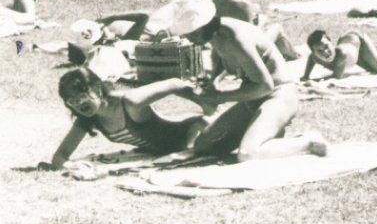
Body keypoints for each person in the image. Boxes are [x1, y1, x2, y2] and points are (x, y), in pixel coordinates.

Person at [165, 0, 327, 161]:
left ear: (205, 23)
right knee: (204, 146)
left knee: (248, 154)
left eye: (191, 32)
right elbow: (224, 58)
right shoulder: (216, 33)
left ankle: (308, 142)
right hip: (254, 99)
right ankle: (270, 134)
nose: (188, 38)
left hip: (279, 95)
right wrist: (213, 80)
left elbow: (265, 86)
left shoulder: (236, 38)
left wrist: (220, 97)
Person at [42, 68, 247, 170]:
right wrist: (69, 165)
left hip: (195, 132)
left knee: (197, 158)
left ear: (96, 88)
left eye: (81, 96)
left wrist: (208, 107)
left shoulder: (130, 101)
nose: (78, 104)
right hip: (170, 150)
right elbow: (60, 155)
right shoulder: (89, 118)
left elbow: (175, 83)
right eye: (71, 101)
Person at [212, 0, 298, 62]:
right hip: (243, 55)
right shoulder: (243, 4)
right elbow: (253, 38)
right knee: (277, 28)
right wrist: (263, 22)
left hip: (222, 52)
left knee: (272, 31)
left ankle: (291, 55)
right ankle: (296, 56)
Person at [303, 29, 377, 80]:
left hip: (358, 39)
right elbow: (311, 59)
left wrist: (312, 81)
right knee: (371, 69)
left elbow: (336, 77)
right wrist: (306, 75)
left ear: (331, 42)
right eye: (319, 51)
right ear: (314, 52)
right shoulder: (315, 57)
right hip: (351, 50)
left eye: (326, 47)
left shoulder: (342, 54)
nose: (325, 52)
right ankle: (376, 54)